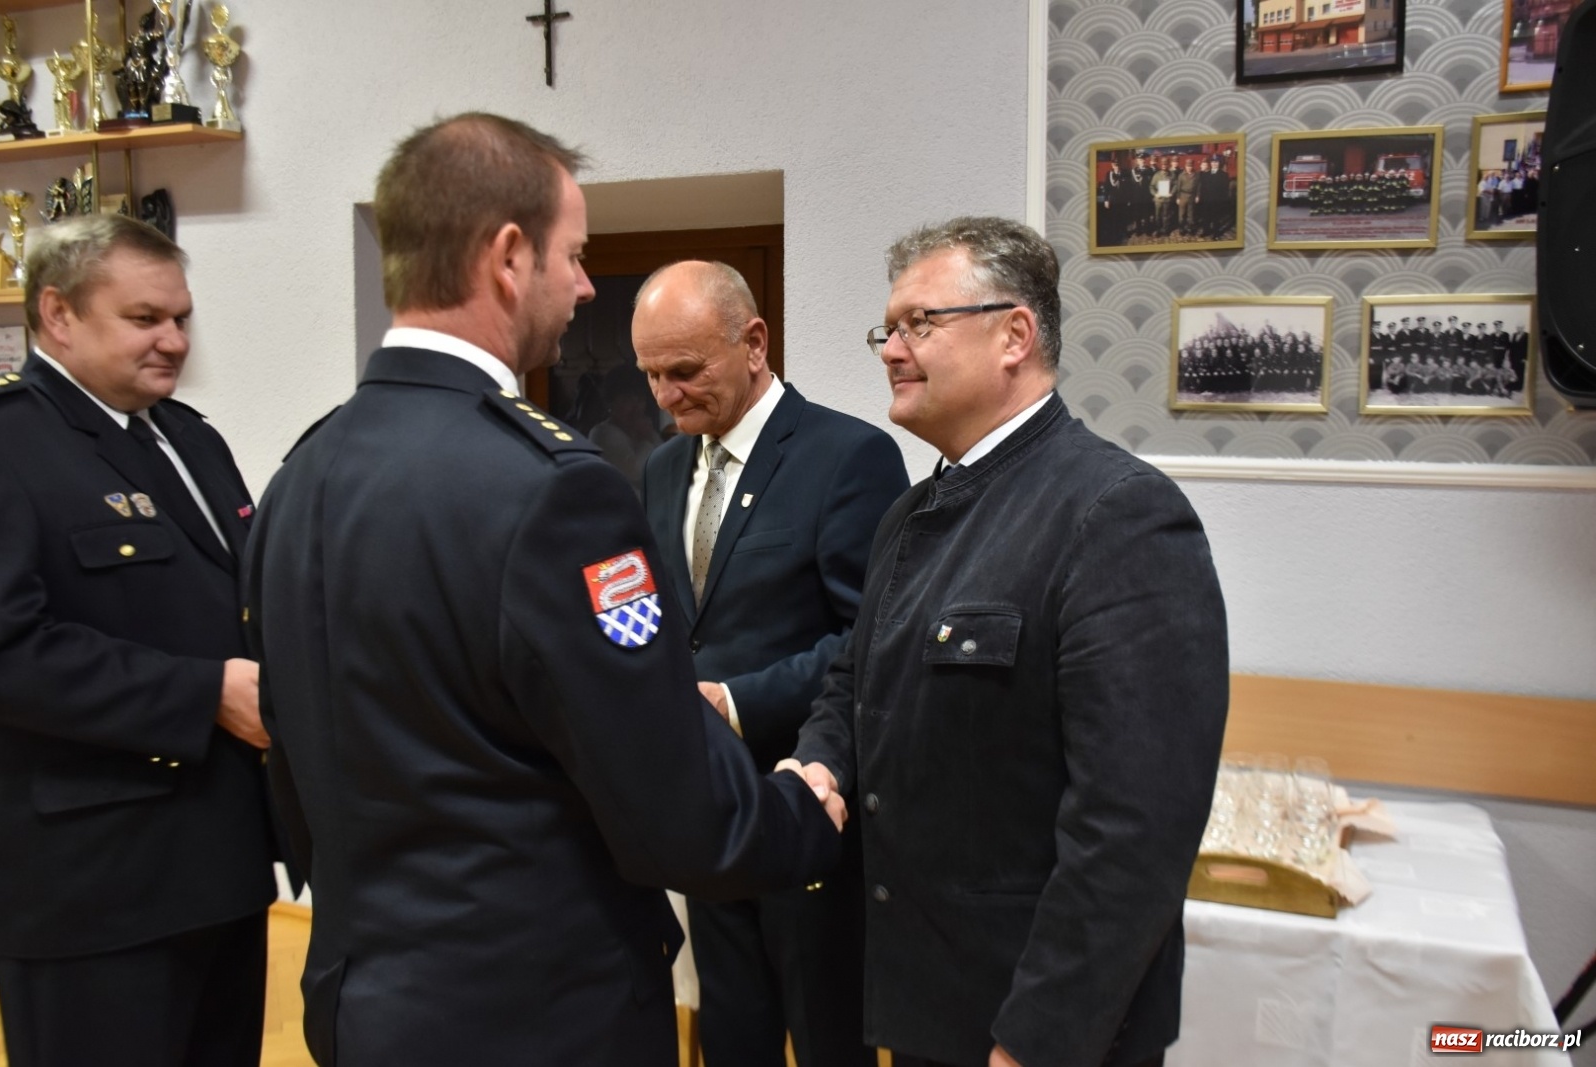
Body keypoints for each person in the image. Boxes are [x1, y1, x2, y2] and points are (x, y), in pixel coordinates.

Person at [242, 113, 843, 1067]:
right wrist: (800, 816)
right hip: (537, 1010)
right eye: (574, 256)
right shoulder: (553, 488)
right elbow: (667, 791)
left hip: (363, 999)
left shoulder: (300, 473)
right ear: (509, 256)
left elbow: (295, 745)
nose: (582, 286)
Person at [786, 217, 1229, 1067]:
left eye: (921, 322)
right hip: (924, 995)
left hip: (1034, 1020)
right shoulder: (909, 517)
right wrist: (819, 759)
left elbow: (1133, 829)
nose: (891, 348)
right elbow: (854, 680)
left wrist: (1040, 1038)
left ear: (1014, 334)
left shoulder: (1116, 514)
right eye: (890, 327)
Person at [0, 214, 278, 1067]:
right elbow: (10, 652)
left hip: (220, 860)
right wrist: (203, 694)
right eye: (145, 318)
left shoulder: (189, 438)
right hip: (91, 886)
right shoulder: (11, 443)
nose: (172, 340)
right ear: (58, 315)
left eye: (182, 318)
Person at [632, 260, 909, 1067]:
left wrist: (737, 699)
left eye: (685, 371)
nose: (665, 396)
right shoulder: (660, 468)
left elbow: (870, 638)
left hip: (808, 806)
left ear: (754, 342)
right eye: (650, 375)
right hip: (709, 809)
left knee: (827, 1037)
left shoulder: (847, 456)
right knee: (732, 1028)